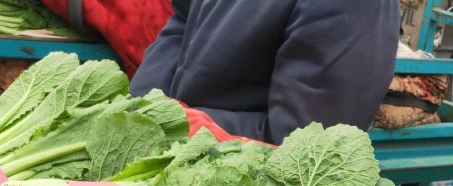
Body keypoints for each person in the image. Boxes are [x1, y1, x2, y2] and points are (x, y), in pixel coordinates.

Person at [131, 0, 401, 144]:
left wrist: (175, 123)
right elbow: (181, 19)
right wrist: (143, 105)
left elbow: (305, 142)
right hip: (177, 157)